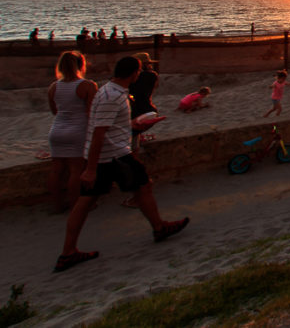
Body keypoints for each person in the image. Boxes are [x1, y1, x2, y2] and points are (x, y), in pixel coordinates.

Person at [55, 56, 189, 273]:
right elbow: (99, 133)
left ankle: (158, 227)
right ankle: (158, 227)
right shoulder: (113, 96)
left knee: (137, 188)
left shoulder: (109, 90)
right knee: (93, 201)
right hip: (111, 156)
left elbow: (106, 124)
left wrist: (133, 123)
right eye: (139, 72)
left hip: (109, 154)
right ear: (134, 73)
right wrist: (90, 169)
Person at [47, 51, 98, 213]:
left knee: (57, 170)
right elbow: (92, 112)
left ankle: (57, 205)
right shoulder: (88, 85)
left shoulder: (54, 86)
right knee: (76, 170)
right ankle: (76, 205)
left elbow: (55, 111)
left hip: (57, 130)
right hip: (78, 130)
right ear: (80, 65)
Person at [128, 52, 161, 150]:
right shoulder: (151, 76)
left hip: (133, 109)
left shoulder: (131, 78)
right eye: (149, 64)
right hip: (145, 109)